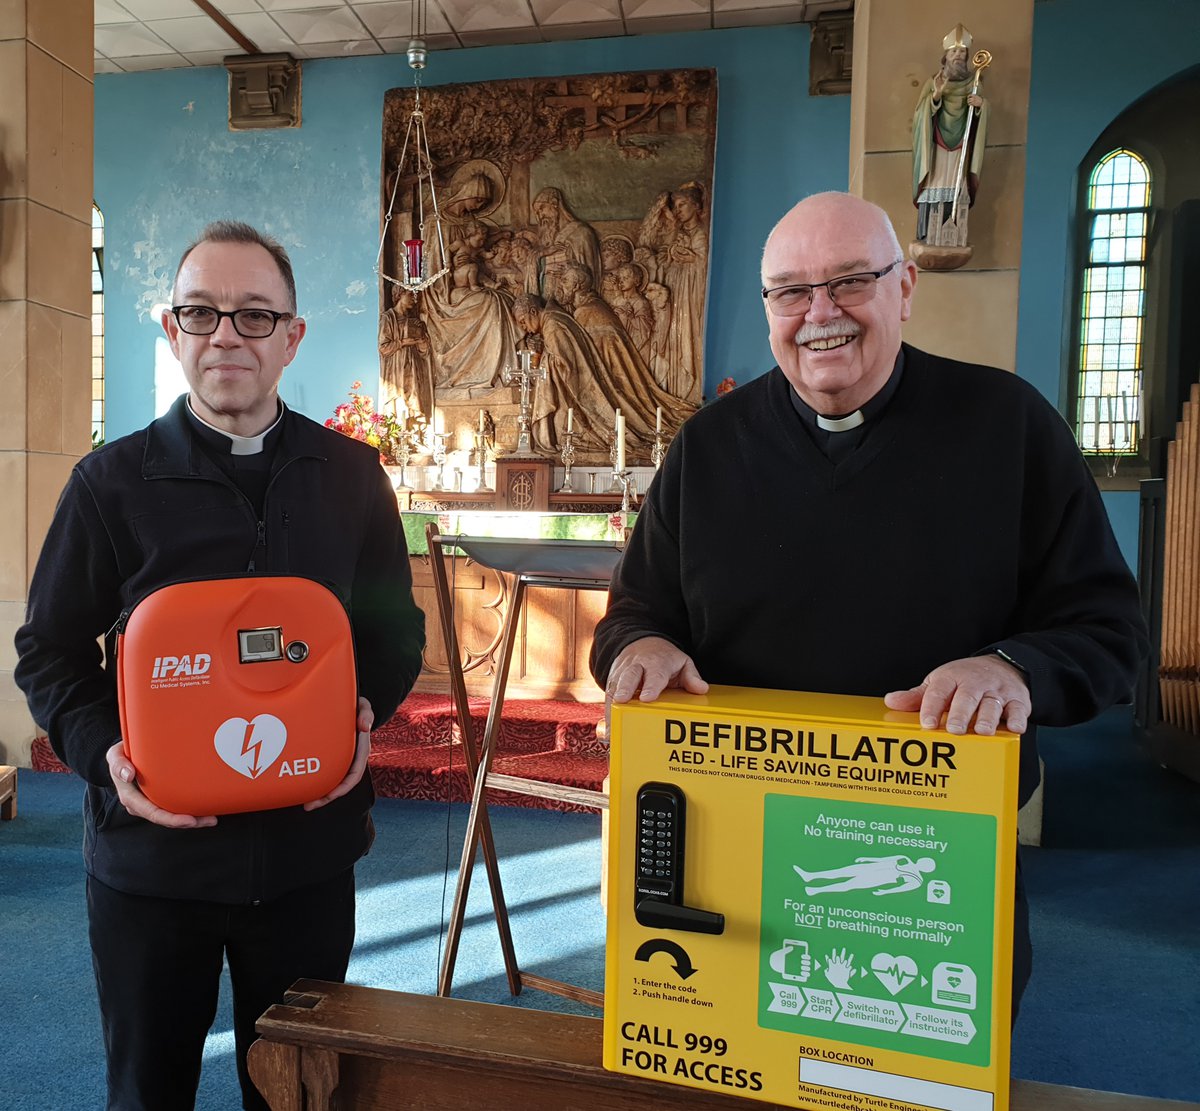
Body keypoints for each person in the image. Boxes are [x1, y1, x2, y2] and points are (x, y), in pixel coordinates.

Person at [591, 191, 1147, 1021]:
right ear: (770, 306)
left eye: (851, 280)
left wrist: (1011, 667)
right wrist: (640, 647)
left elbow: (1111, 634)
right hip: (737, 838)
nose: (821, 314)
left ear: (906, 288)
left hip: (931, 854)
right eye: (792, 291)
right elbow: (632, 615)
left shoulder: (1010, 427)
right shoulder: (706, 448)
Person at [14, 220, 426, 1110]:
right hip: (152, 866)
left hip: (308, 861)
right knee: (148, 1092)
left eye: (253, 314)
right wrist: (104, 755)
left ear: (292, 336)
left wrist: (359, 712)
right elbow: (48, 652)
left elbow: (395, 635)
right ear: (172, 331)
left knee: (302, 1095)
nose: (226, 335)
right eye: (201, 313)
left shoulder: (353, 477)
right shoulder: (108, 484)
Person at [912, 24, 988, 247]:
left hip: (961, 145)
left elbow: (980, 116)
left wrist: (981, 104)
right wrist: (935, 97)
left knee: (956, 185)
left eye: (962, 52)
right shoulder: (933, 82)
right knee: (934, 181)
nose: (958, 56)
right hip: (936, 144)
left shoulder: (974, 83)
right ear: (945, 56)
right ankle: (927, 231)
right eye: (954, 51)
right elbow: (920, 115)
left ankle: (953, 230)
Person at [378, 283, 432, 424]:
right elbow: (383, 347)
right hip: (397, 370)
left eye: (416, 296)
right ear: (399, 295)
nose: (414, 299)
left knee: (414, 399)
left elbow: (424, 352)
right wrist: (403, 342)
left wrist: (421, 342)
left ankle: (415, 431)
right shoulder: (388, 318)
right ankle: (400, 432)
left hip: (413, 368)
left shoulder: (416, 322)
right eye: (410, 295)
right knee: (400, 401)